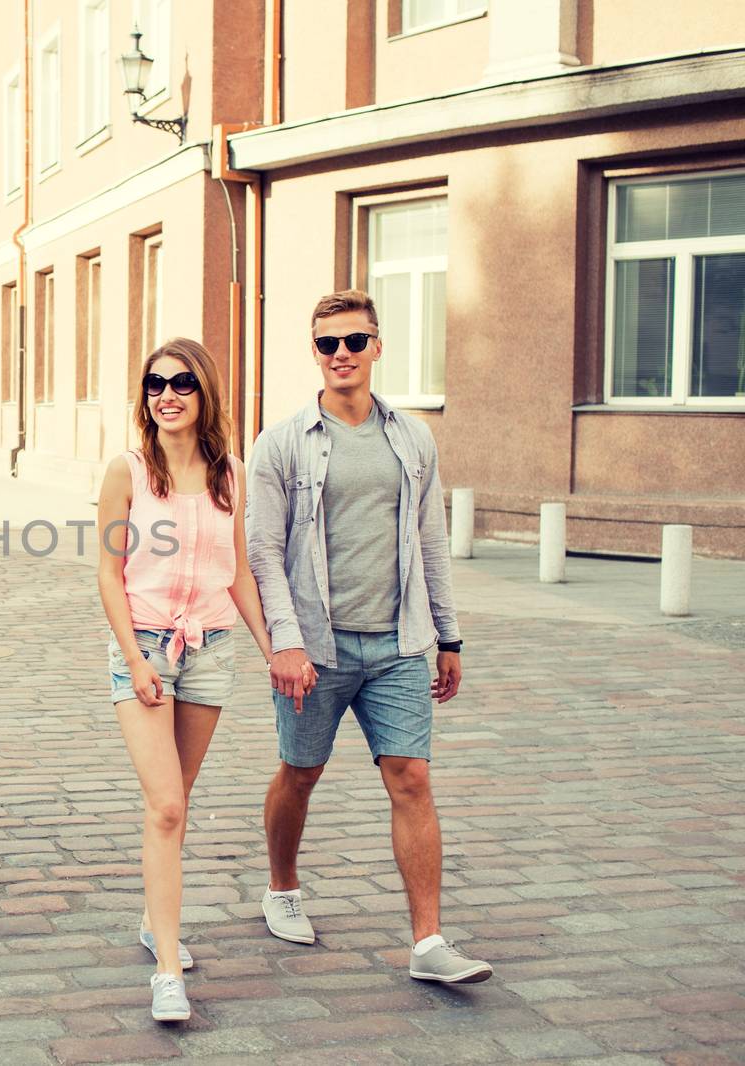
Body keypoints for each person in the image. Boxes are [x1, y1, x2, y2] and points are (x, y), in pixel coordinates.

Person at [246, 289, 488, 985]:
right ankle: (283, 887)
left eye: (355, 341)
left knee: (411, 778)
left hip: (397, 644)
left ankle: (429, 942)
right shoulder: (283, 442)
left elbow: (431, 538)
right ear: (314, 352)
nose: (342, 355)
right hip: (315, 648)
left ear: (378, 346)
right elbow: (263, 550)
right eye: (328, 344)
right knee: (301, 772)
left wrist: (449, 635)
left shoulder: (411, 436)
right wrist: (284, 645)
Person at [96, 338, 275, 1024]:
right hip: (143, 645)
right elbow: (107, 575)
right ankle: (169, 968)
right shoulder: (128, 472)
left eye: (180, 384)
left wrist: (275, 650)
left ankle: (153, 919)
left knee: (177, 799)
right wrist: (134, 659)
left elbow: (239, 574)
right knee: (166, 804)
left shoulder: (231, 472)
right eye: (154, 384)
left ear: (204, 393)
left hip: (211, 647)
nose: (166, 394)